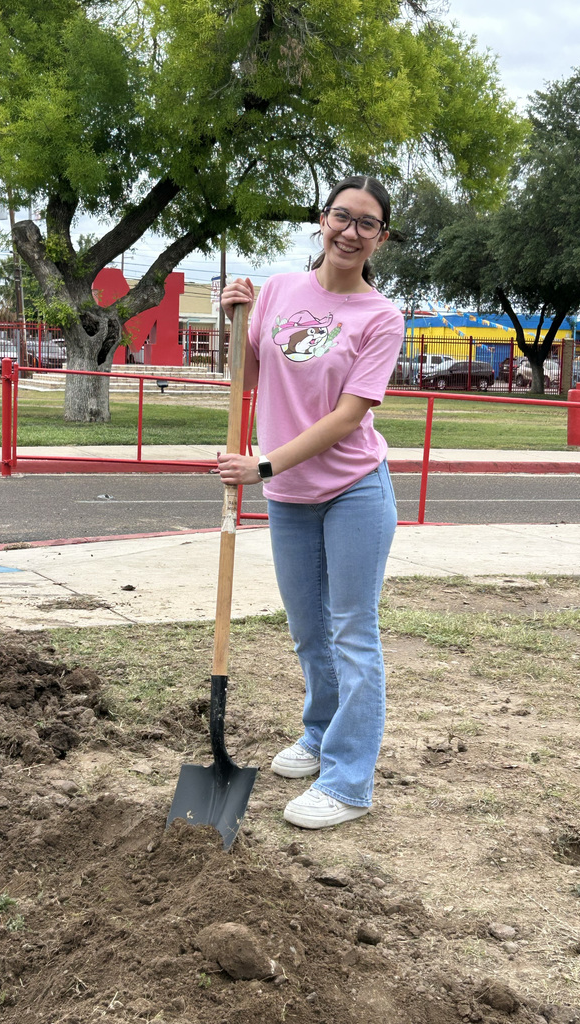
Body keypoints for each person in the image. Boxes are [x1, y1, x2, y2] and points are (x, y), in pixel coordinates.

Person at [219, 175, 404, 830]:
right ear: (321, 222)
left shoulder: (381, 316)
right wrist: (232, 321)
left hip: (354, 489)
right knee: (308, 633)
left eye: (366, 223)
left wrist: (263, 463)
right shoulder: (278, 291)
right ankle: (320, 733)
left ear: (380, 237)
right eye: (340, 216)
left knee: (353, 630)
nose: (350, 231)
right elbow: (245, 374)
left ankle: (349, 782)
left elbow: (351, 417)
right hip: (289, 494)